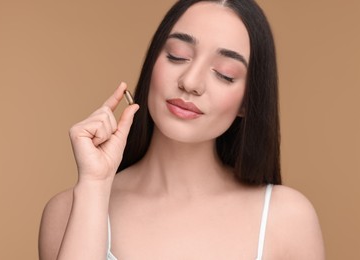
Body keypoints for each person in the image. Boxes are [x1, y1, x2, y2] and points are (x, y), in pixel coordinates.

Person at [39, 0, 325, 259]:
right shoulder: (68, 211)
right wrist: (94, 186)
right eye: (177, 56)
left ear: (247, 102)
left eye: (225, 73)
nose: (190, 82)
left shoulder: (287, 218)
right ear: (152, 63)